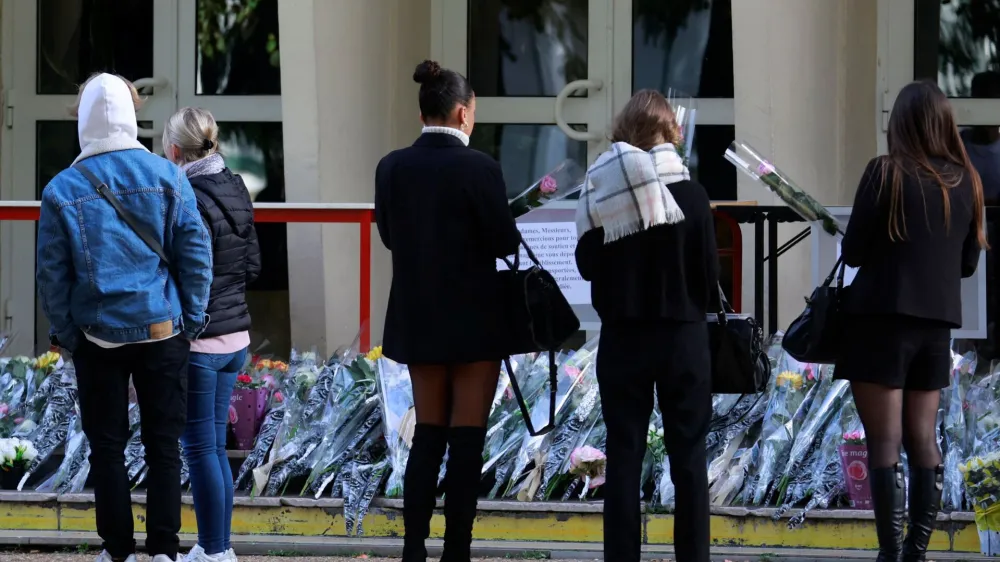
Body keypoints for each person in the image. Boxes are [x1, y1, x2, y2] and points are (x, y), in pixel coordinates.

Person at [36, 74, 213, 562]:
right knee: (164, 447)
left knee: (107, 449)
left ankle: (117, 551)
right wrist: (191, 318)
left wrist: (70, 335)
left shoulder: (61, 189)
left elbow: (52, 277)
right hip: (163, 328)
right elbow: (196, 254)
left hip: (97, 337)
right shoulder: (168, 176)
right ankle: (163, 550)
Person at [374, 60, 520, 562]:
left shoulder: (391, 167)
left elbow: (390, 236)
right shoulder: (480, 167)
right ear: (462, 113)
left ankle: (413, 548)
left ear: (423, 112)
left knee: (428, 434)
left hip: (417, 316)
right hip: (476, 319)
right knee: (466, 440)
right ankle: (457, 550)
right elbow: (504, 241)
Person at [837, 80, 987, 562]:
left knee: (885, 442)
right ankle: (916, 553)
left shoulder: (885, 173)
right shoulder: (966, 180)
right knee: (924, 440)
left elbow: (853, 250)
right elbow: (967, 264)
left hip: (880, 321)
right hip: (934, 326)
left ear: (899, 124)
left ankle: (889, 555)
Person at [574, 89, 719, 562]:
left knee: (624, 455)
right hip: (683, 339)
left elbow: (587, 264)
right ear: (670, 133)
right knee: (689, 460)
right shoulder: (694, 197)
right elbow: (709, 278)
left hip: (623, 340)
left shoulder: (605, 190)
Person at [163, 107, 260, 562]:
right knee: (214, 448)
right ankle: (218, 548)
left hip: (201, 341)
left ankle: (213, 549)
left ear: (175, 150)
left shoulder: (185, 193)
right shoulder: (237, 185)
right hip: (236, 339)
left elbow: (184, 267)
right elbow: (254, 265)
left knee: (200, 447)